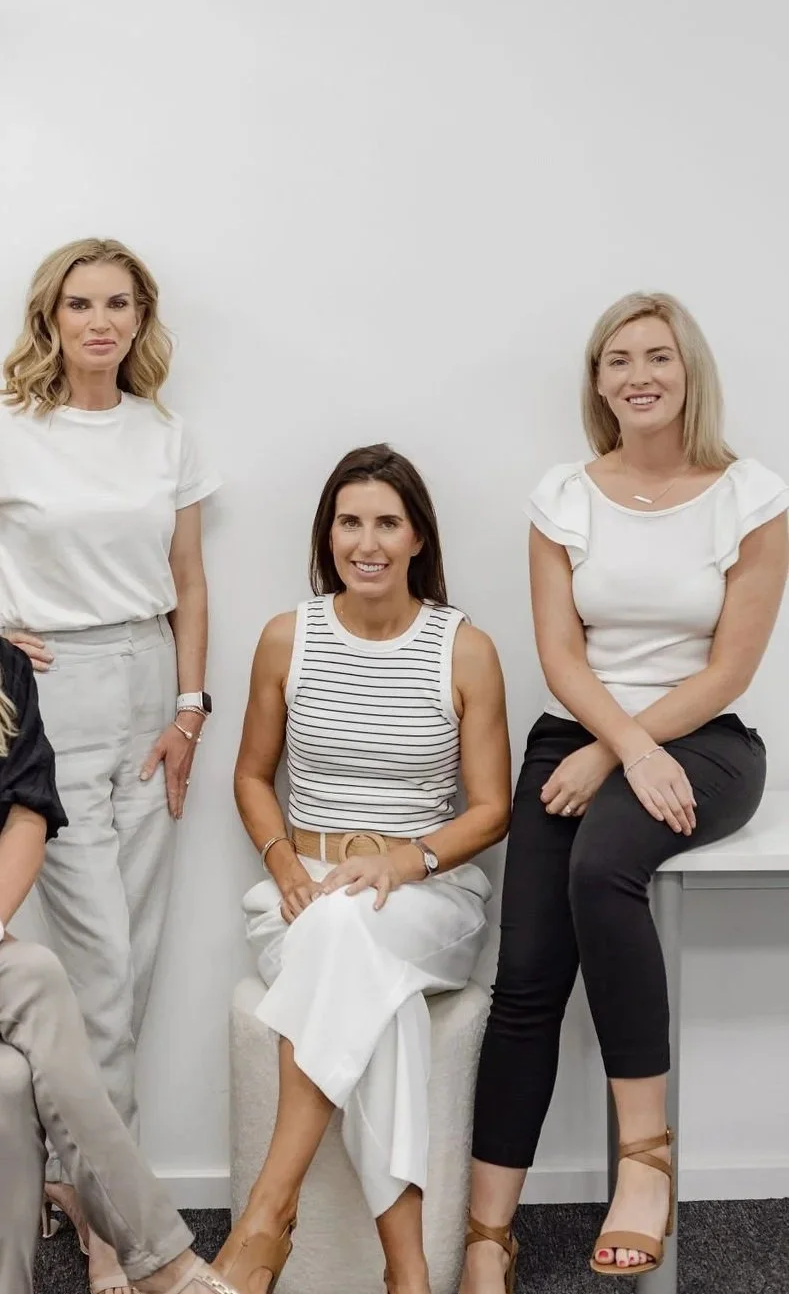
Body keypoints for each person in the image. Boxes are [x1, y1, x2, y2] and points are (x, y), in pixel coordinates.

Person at [462, 291, 789, 1288]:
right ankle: (488, 1237)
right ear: (597, 382)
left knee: (603, 867)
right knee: (525, 976)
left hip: (704, 743)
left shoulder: (751, 496)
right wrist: (612, 744)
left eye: (657, 356)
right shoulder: (563, 496)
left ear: (690, 371)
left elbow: (729, 669)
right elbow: (561, 656)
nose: (638, 375)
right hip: (578, 735)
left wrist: (626, 752)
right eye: (617, 360)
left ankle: (646, 1160)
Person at [220, 444, 511, 1294]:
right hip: (304, 891)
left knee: (350, 927)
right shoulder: (288, 638)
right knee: (380, 999)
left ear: (418, 536)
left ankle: (265, 1217)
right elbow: (251, 776)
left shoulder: (464, 648)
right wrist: (283, 863)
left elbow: (490, 808)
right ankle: (408, 1276)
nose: (367, 541)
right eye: (349, 521)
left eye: (387, 522)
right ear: (328, 534)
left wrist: (403, 860)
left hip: (429, 897)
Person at [0, 238, 219, 1294]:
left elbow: (189, 577)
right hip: (54, 688)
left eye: (118, 303)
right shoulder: (12, 430)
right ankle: (115, 1235)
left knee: (132, 964)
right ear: (51, 317)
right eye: (80, 304)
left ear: (140, 317)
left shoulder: (164, 435)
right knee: (97, 971)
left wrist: (189, 708)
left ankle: (76, 1179)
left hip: (150, 685)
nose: (100, 321)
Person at [0, 634, 243, 1294]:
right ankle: (161, 1260)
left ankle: (141, 1248)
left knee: (13, 1069)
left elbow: (26, 810)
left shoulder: (6, 667)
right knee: (41, 977)